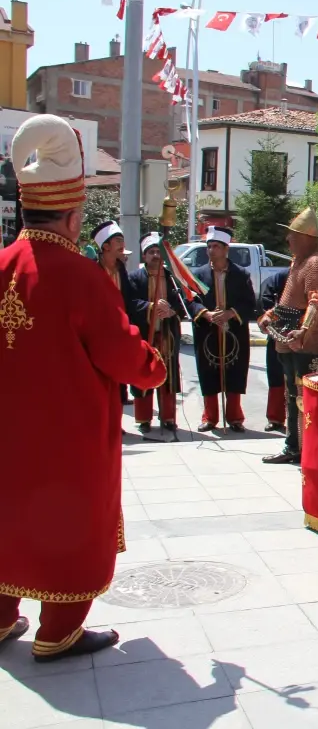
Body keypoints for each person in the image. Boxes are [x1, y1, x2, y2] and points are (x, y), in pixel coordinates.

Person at [0, 114, 166, 661]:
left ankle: (1, 615)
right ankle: (59, 629)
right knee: (66, 521)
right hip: (66, 441)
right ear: (73, 217)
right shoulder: (80, 276)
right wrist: (155, 365)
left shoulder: (1, 264)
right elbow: (127, 358)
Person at [260, 207, 318, 465]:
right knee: (292, 397)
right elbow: (287, 302)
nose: (288, 240)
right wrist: (271, 315)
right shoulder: (298, 262)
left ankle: (310, 449)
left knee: (307, 399)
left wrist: (304, 330)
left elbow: (316, 303)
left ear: (305, 237)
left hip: (309, 343)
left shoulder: (315, 263)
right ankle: (294, 446)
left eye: (292, 235)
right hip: (288, 340)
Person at [188, 226, 255, 432]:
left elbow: (249, 302)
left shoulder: (240, 274)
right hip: (207, 330)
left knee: (234, 372)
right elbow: (191, 300)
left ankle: (235, 417)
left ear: (226, 249)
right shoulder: (198, 274)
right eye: (209, 246)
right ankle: (210, 417)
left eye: (216, 246)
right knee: (209, 373)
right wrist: (206, 314)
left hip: (233, 330)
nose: (211, 250)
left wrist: (230, 313)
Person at [127, 232, 186, 437]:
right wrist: (151, 306)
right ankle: (143, 418)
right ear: (144, 256)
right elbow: (130, 303)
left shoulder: (171, 278)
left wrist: (172, 310)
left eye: (158, 252)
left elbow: (183, 302)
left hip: (167, 333)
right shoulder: (134, 277)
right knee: (143, 373)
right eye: (151, 252)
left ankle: (168, 417)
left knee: (168, 374)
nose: (155, 256)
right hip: (145, 334)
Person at [93, 220, 135, 405]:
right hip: (97, 335)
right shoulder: (92, 271)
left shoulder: (121, 269)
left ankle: (115, 426)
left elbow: (129, 299)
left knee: (118, 380)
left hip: (119, 332)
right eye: (118, 240)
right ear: (106, 246)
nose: (122, 245)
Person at [260, 268, 289, 432]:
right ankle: (275, 418)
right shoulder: (279, 277)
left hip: (303, 334)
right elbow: (267, 300)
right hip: (278, 331)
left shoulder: (312, 276)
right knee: (276, 374)